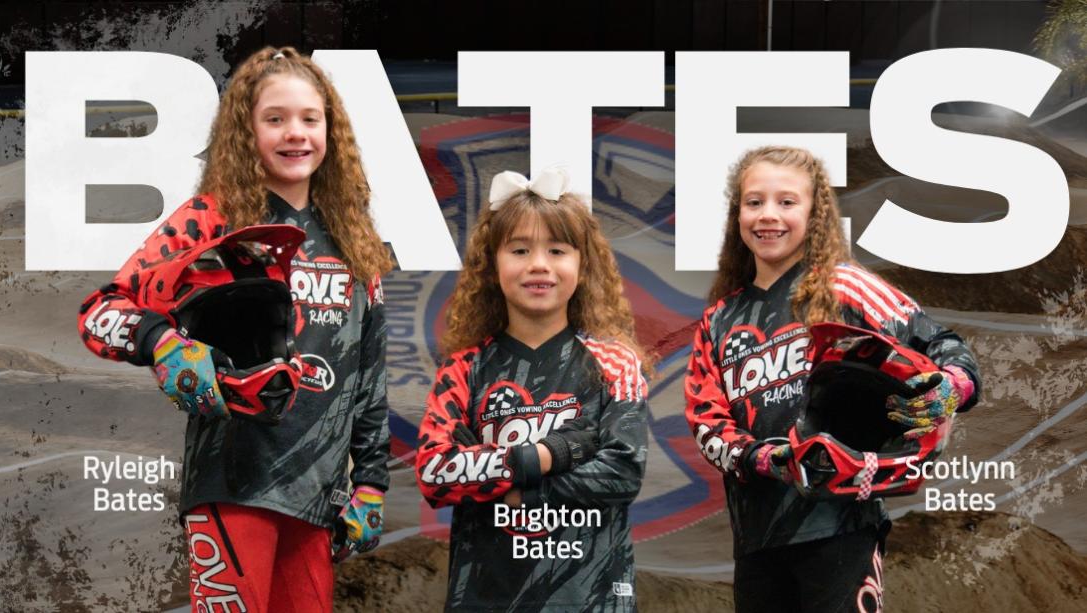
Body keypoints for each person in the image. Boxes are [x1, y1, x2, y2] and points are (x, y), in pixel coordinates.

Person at [76, 47, 394, 612]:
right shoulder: (210, 218)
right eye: (274, 118)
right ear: (244, 131)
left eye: (309, 118)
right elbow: (101, 311)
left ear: (331, 129)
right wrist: (163, 342)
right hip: (230, 486)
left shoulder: (355, 237)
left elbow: (369, 375)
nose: (294, 133)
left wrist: (370, 484)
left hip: (321, 499)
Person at [684, 146, 981, 613]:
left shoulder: (845, 285)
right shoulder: (718, 320)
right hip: (757, 538)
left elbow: (941, 342)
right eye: (754, 201)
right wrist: (765, 459)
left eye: (787, 202)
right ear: (736, 213)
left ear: (815, 213)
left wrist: (951, 385)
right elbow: (706, 419)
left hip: (842, 523)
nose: (768, 216)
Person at [415, 167, 651, 611]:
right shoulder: (463, 367)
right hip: (485, 596)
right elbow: (434, 474)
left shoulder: (615, 363)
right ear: (493, 263)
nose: (538, 264)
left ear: (582, 265)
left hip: (589, 596)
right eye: (520, 249)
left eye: (557, 250)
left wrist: (501, 477)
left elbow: (622, 473)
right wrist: (550, 454)